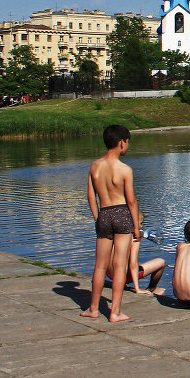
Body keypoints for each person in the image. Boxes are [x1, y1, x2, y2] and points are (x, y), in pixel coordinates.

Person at [79, 124, 140, 322]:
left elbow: (91, 196)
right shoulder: (125, 169)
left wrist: (97, 218)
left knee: (100, 266)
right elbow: (131, 200)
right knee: (120, 265)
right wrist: (136, 227)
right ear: (121, 142)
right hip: (122, 212)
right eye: (127, 142)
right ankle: (115, 311)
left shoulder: (95, 166)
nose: (127, 146)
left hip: (104, 212)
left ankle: (93, 308)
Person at [105, 211, 166, 295]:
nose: (141, 226)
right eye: (140, 223)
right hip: (123, 276)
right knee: (161, 262)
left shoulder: (114, 232)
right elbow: (133, 264)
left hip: (109, 274)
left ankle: (122, 283)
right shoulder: (135, 237)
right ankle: (152, 288)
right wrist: (137, 288)